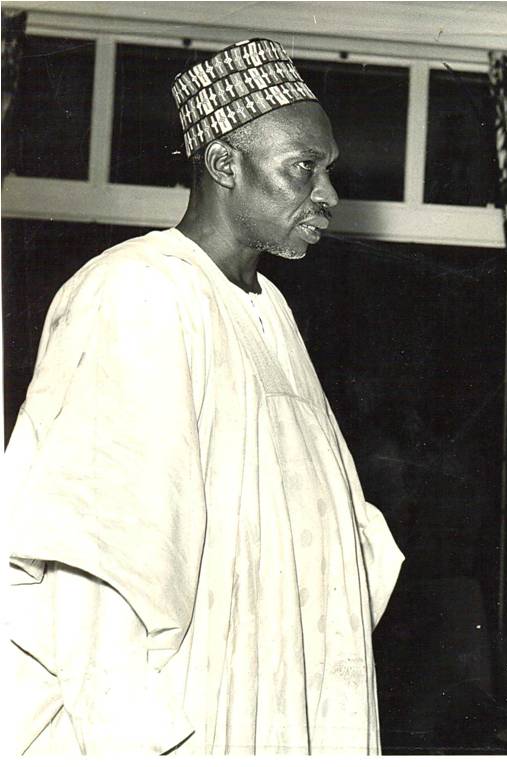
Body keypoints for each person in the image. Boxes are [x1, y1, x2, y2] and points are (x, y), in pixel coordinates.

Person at [6, 38, 403, 755]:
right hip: (188, 708)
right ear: (224, 165)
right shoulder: (137, 288)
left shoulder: (271, 309)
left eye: (328, 170)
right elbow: (98, 556)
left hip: (279, 691)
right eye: (303, 167)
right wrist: (134, 739)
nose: (329, 195)